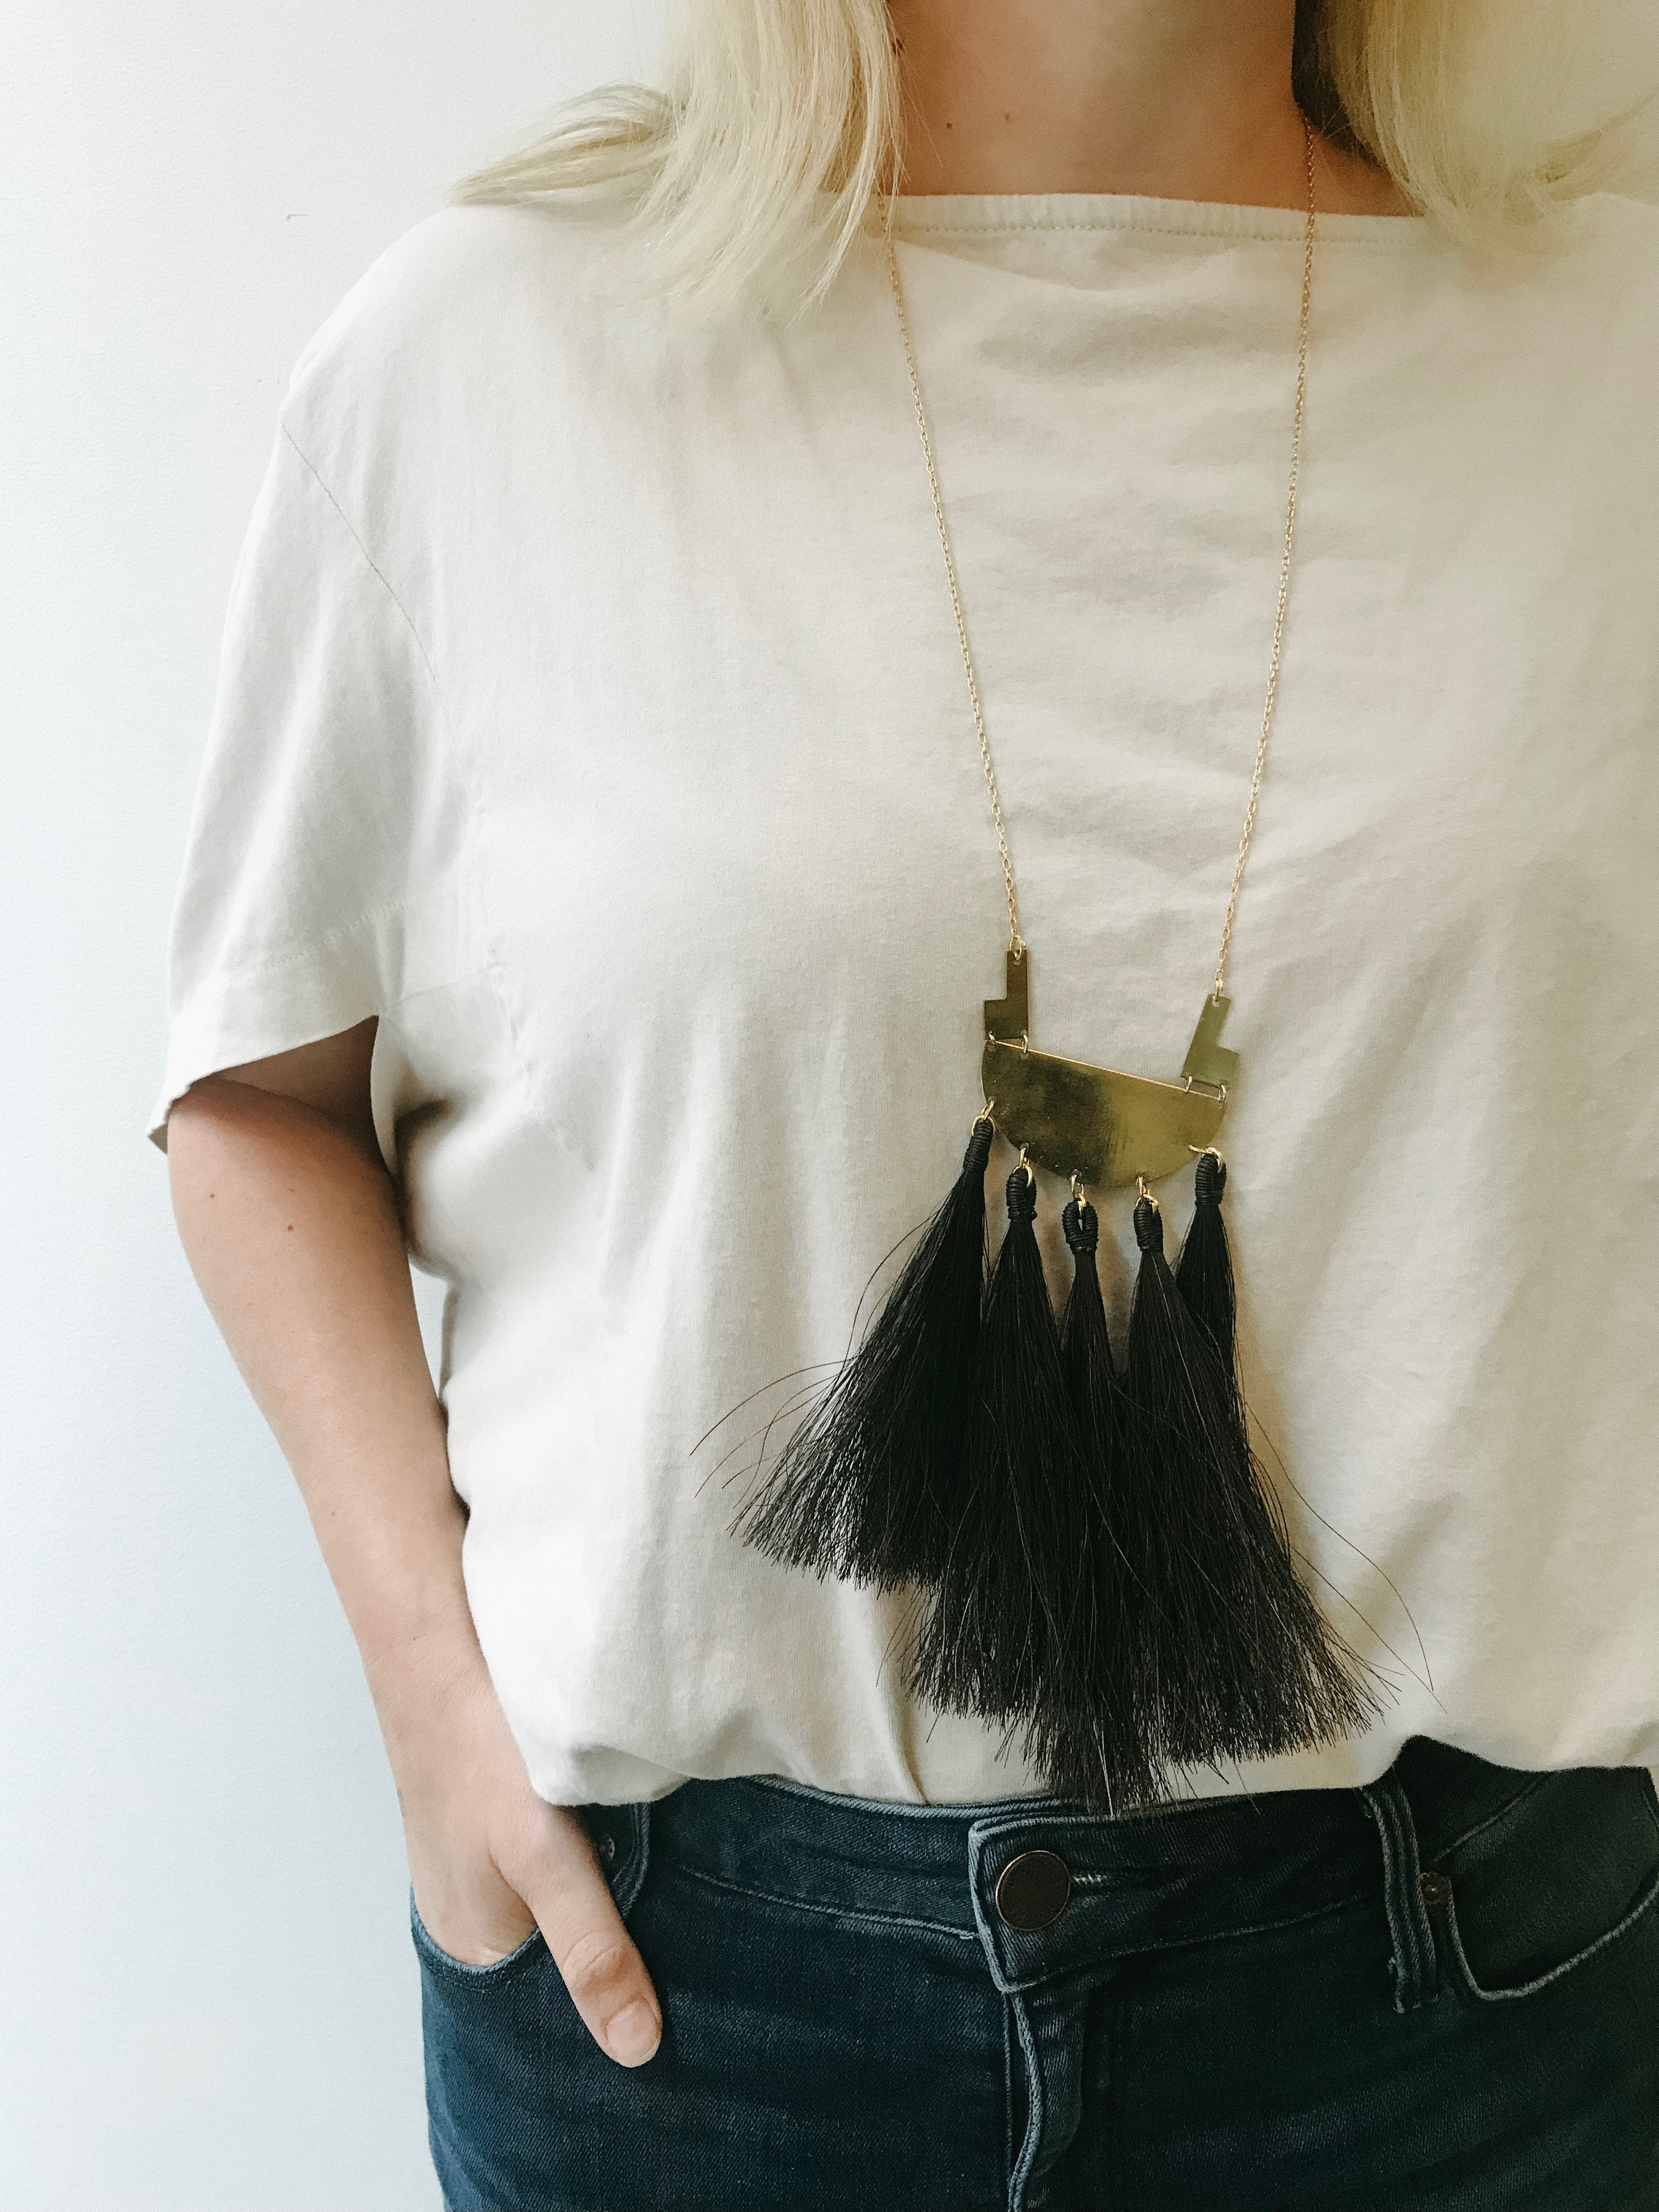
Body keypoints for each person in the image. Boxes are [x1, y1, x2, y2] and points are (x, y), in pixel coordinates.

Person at [153, 1, 1659, 2205]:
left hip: (1471, 2026)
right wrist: (432, 1715)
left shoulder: (1604, 366)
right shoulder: (487, 361)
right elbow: (254, 1091)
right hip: (684, 2027)